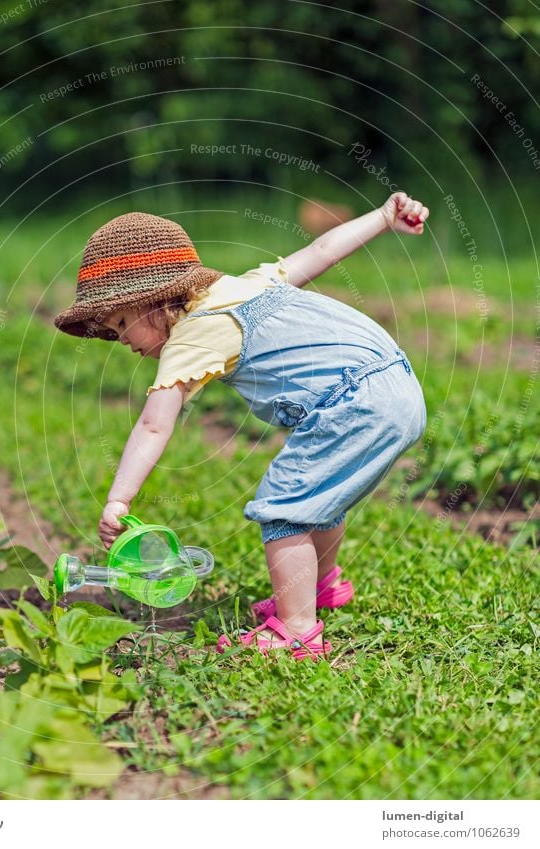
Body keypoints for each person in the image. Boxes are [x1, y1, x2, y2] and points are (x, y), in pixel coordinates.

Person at [54, 193, 429, 660]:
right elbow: (321, 252)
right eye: (111, 332)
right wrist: (383, 217)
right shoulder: (247, 285)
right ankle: (320, 586)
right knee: (321, 498)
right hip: (400, 388)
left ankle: (296, 629)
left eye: (122, 322)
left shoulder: (192, 335)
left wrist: (119, 498)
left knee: (283, 508)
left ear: (154, 300)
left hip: (354, 403)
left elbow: (154, 426)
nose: (121, 340)